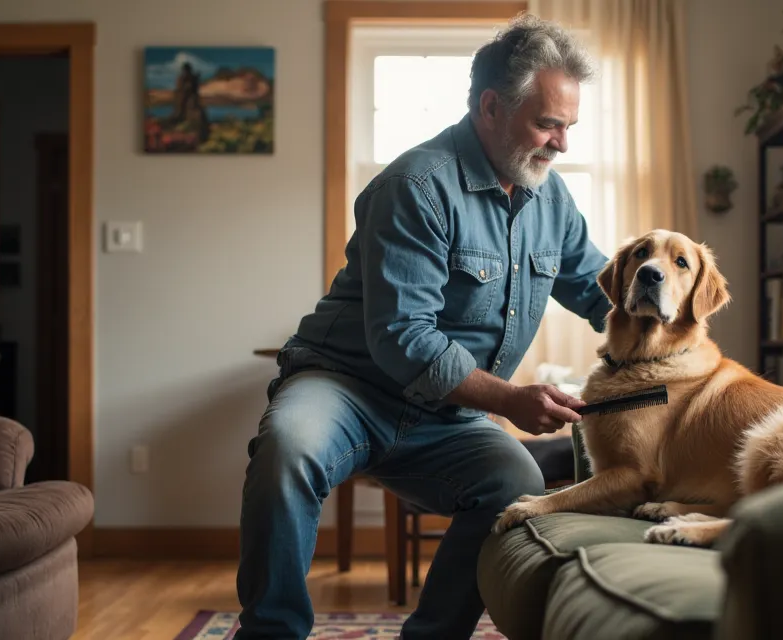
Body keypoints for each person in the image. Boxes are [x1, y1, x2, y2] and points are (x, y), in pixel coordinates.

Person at [235, 14, 611, 640]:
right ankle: (271, 632)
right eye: (547, 123)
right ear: (491, 106)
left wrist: (675, 318)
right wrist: (510, 399)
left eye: (569, 126)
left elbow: (601, 293)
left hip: (446, 413)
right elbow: (404, 339)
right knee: (287, 452)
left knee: (513, 480)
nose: (561, 144)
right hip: (346, 387)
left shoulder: (553, 201)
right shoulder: (418, 185)